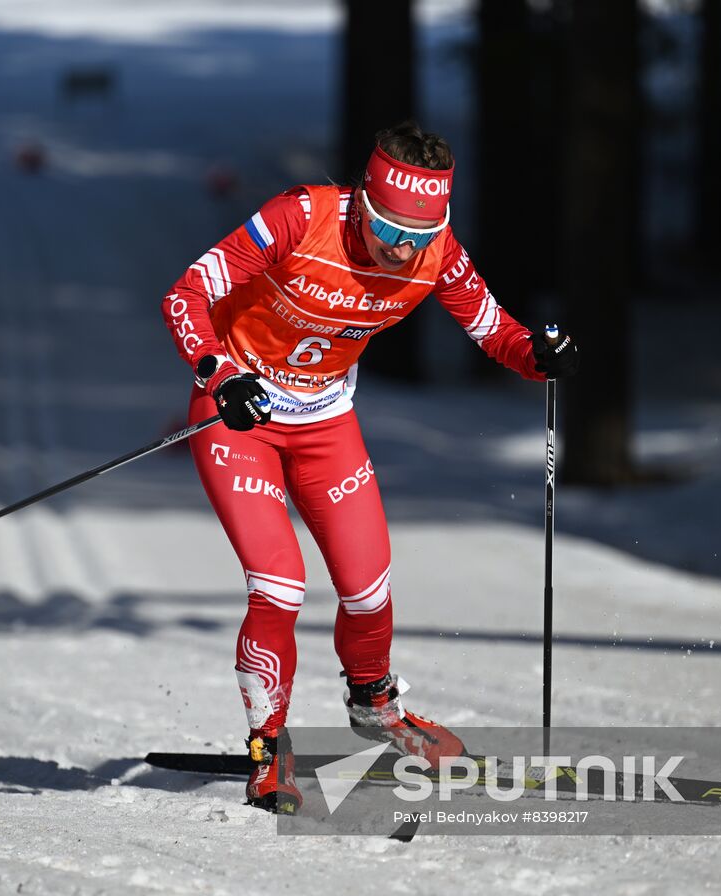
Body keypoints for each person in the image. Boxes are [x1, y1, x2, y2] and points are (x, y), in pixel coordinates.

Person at [159, 121, 579, 814]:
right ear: (363, 203)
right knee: (280, 586)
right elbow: (185, 294)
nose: (403, 249)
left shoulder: (433, 251)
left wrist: (539, 354)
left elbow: (495, 330)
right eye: (390, 230)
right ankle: (267, 750)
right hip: (243, 417)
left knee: (367, 587)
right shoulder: (301, 217)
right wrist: (219, 370)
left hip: (326, 424)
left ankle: (376, 705)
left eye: (420, 234)